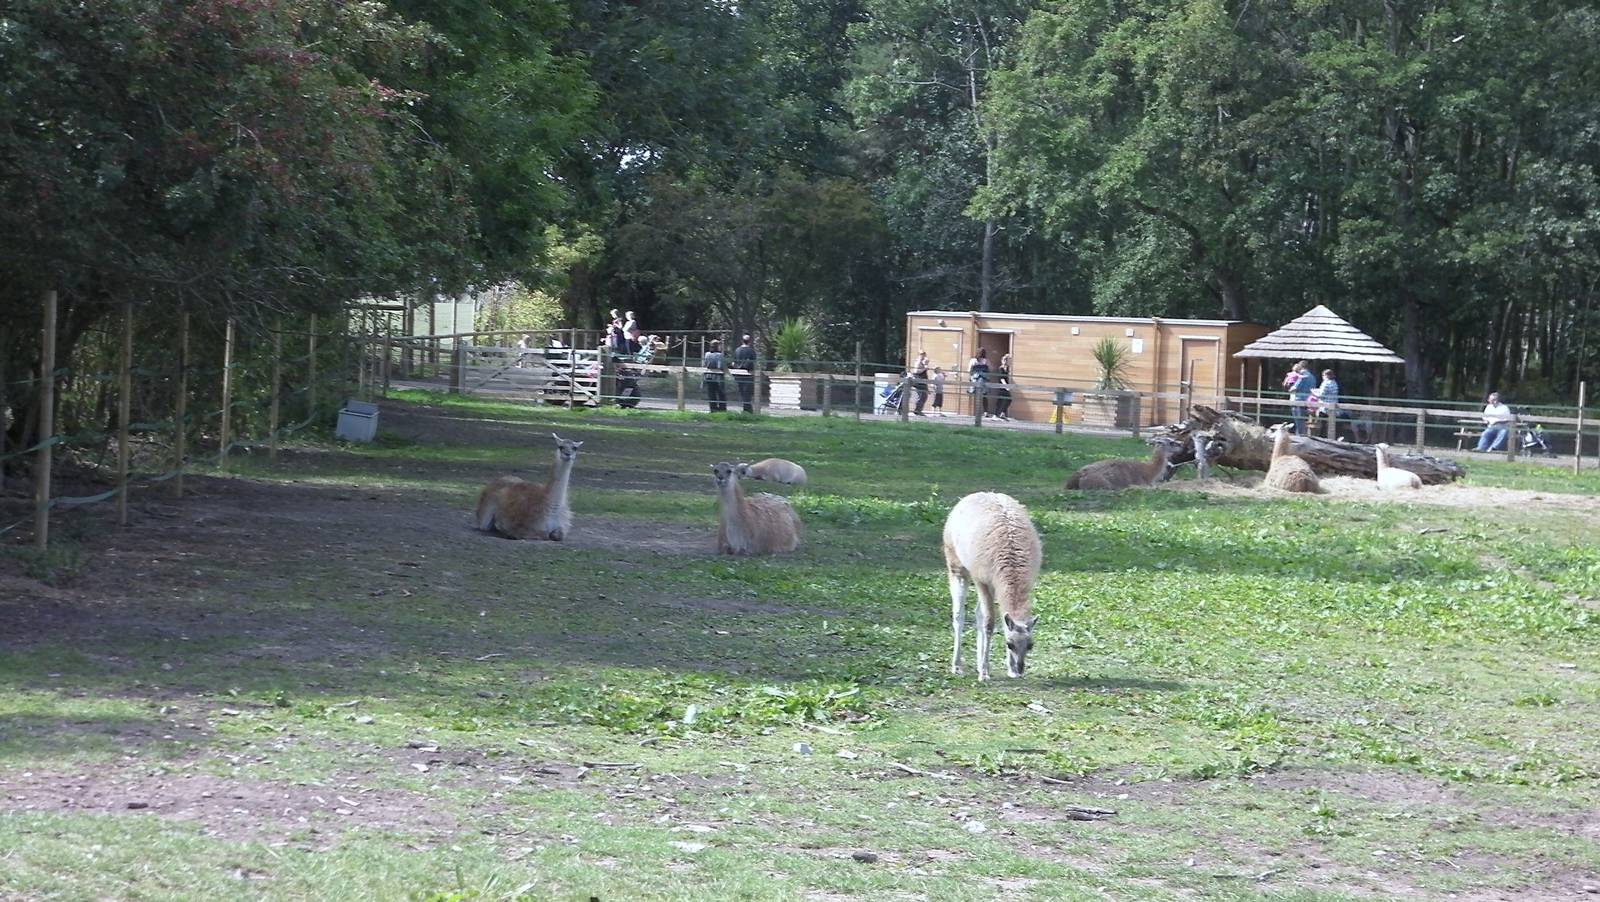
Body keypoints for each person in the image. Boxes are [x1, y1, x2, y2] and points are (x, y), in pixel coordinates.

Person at [1288, 361, 1316, 434]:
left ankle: (1300, 437)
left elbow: (1294, 388)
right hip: (1308, 401)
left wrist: (1290, 388)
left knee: (1299, 421)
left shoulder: (1302, 376)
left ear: (1301, 367)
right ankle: (1302, 435)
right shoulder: (1312, 377)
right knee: (1302, 420)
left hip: (1298, 400)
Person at [1312, 368, 1339, 436]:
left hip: (1324, 407)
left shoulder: (1325, 383)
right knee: (1330, 423)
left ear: (1326, 375)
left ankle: (1322, 437)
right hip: (1332, 405)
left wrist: (1314, 392)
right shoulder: (1334, 382)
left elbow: (1321, 395)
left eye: (1323, 375)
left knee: (1322, 424)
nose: (1322, 377)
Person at [733, 334, 757, 413]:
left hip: (738, 374)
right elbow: (753, 362)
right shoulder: (751, 351)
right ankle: (748, 410)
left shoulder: (737, 350)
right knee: (747, 393)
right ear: (749, 341)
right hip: (748, 374)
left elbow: (734, 362)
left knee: (742, 392)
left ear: (742, 341)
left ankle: (746, 409)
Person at [702, 339, 727, 412]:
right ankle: (722, 409)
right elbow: (720, 366)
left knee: (711, 393)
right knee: (721, 393)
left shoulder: (707, 354)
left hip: (708, 376)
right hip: (718, 377)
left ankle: (713, 409)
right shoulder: (719, 355)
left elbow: (705, 364)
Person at [968, 348, 991, 417]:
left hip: (975, 379)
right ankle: (985, 412)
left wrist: (971, 377)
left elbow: (969, 370)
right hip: (984, 379)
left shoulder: (973, 361)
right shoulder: (986, 361)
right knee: (984, 396)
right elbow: (989, 370)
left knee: (975, 395)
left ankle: (974, 412)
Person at [993, 353, 1014, 420]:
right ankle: (996, 415)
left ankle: (1002, 413)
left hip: (1005, 386)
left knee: (1007, 399)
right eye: (1009, 360)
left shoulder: (1007, 369)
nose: (1010, 362)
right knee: (1001, 400)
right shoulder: (1001, 369)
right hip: (1002, 387)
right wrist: (1006, 386)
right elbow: (1002, 379)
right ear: (1006, 361)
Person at [910, 351, 930, 415]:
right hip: (919, 381)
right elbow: (916, 371)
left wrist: (926, 364)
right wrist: (925, 368)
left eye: (924, 354)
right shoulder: (918, 361)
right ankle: (917, 410)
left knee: (924, 396)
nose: (923, 355)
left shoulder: (922, 362)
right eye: (922, 354)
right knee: (922, 395)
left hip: (922, 381)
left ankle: (918, 410)